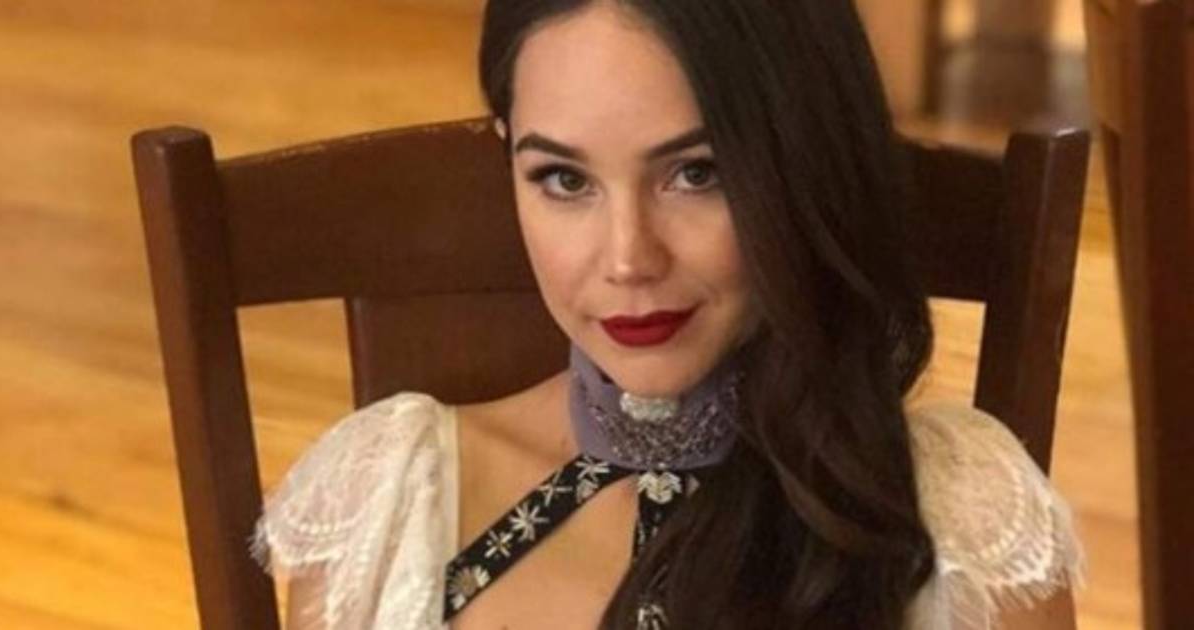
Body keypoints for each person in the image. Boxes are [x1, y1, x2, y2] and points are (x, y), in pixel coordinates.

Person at [251, 1, 1084, 628]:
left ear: (805, 165)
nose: (628, 258)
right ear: (507, 157)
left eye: (696, 173)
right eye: (564, 180)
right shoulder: (388, 501)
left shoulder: (964, 519)